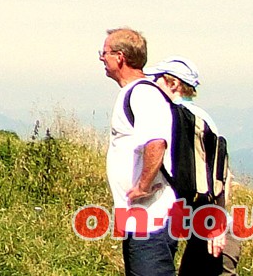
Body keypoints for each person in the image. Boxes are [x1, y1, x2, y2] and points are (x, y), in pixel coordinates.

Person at [148, 58, 241, 276]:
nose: (153, 84)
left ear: (173, 84)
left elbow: (217, 175)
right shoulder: (202, 118)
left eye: (157, 79)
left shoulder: (186, 120)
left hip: (210, 226)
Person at [103, 27, 177, 276]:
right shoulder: (136, 93)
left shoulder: (143, 93)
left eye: (104, 53)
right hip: (141, 217)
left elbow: (156, 142)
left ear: (120, 57)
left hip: (151, 217)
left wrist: (143, 186)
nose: (102, 59)